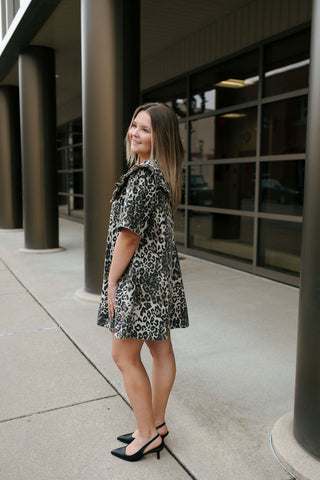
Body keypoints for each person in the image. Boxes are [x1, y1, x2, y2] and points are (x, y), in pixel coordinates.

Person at [97, 102, 189, 462]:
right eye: (134, 125)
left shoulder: (144, 178)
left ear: (160, 137)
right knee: (160, 350)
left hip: (139, 281)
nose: (135, 132)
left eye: (145, 129)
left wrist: (112, 280)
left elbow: (129, 237)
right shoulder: (160, 176)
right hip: (158, 280)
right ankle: (156, 424)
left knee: (123, 354)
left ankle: (148, 434)